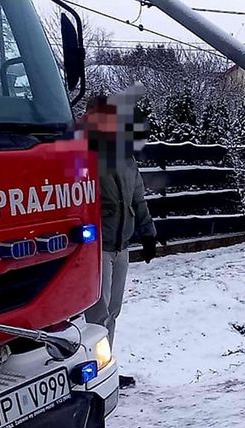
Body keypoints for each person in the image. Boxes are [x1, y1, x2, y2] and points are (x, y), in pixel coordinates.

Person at [83, 90, 158, 388]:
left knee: (112, 310)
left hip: (121, 246)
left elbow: (138, 199)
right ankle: (91, 371)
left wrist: (148, 232)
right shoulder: (84, 155)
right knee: (96, 313)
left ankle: (106, 367)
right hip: (96, 247)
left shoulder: (125, 158)